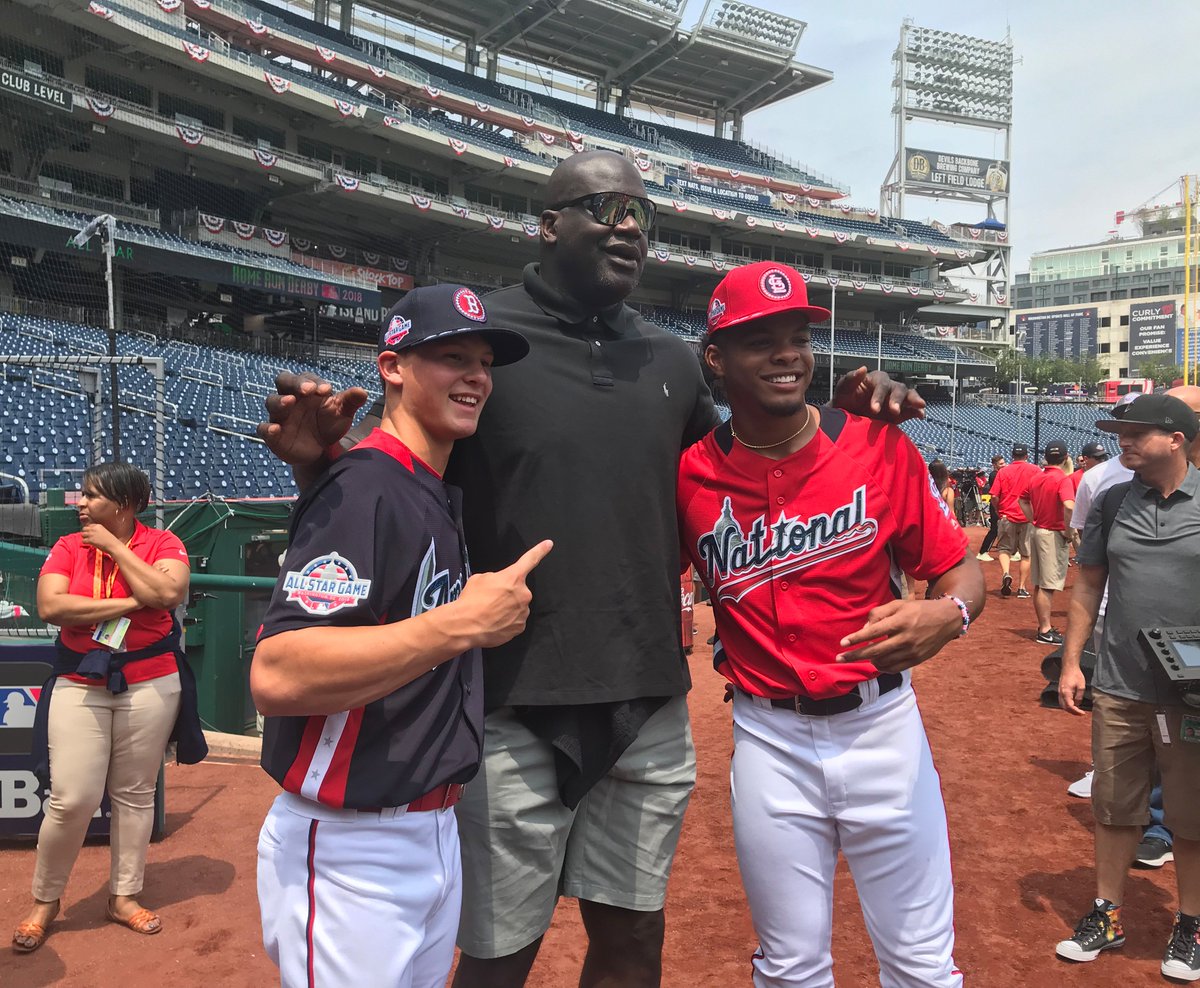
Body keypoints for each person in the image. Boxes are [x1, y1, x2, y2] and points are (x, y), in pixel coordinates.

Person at [258, 151, 925, 988]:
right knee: (498, 955)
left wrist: (851, 416)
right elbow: (397, 476)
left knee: (634, 942)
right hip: (505, 700)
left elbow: (745, 463)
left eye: (645, 214)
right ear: (548, 224)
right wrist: (313, 467)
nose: (631, 227)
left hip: (644, 697)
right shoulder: (481, 346)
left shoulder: (674, 362)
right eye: (607, 206)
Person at [678, 261, 985, 987]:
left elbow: (955, 567)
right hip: (767, 737)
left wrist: (953, 612)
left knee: (921, 966)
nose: (788, 354)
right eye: (761, 340)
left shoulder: (876, 445)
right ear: (716, 358)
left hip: (882, 729)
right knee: (788, 968)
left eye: (797, 337)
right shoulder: (689, 474)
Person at [251, 286, 549, 988]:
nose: (476, 376)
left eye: (484, 361)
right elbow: (278, 675)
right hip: (353, 845)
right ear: (392, 366)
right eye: (452, 357)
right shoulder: (365, 487)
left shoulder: (422, 486)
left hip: (432, 830)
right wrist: (461, 624)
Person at [13, 462, 196, 953]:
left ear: (125, 504)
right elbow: (52, 606)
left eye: (93, 497)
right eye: (82, 496)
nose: (82, 505)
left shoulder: (162, 543)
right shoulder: (68, 546)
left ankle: (123, 895)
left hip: (151, 678)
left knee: (135, 793)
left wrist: (116, 548)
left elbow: (169, 592)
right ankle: (45, 901)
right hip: (80, 678)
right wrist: (132, 604)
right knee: (71, 797)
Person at [1056, 392, 1200, 979]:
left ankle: (1189, 924)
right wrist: (1073, 663)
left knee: (1191, 816)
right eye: (1121, 431)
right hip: (1120, 682)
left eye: (1138, 432)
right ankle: (1107, 913)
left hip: (1191, 690)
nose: (1124, 441)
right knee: (1115, 808)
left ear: (1178, 440)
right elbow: (1088, 588)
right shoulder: (1115, 500)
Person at [1019, 441, 1074, 645]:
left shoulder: (1037, 477)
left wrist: (1033, 518)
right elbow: (1069, 506)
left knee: (1041, 583)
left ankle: (1044, 627)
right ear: (1066, 457)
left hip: (1038, 530)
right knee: (1048, 584)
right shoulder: (1062, 479)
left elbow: (1022, 500)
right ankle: (1045, 629)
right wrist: (1069, 532)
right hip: (1052, 533)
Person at [989, 443, 1039, 598]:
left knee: (1004, 549)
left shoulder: (1003, 472)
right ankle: (1022, 588)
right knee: (1026, 554)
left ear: (1012, 456)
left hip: (1007, 515)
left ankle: (1006, 573)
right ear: (1026, 455)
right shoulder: (1035, 470)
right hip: (1028, 516)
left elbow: (994, 496)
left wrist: (999, 511)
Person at [977, 453, 1006, 561]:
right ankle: (983, 552)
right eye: (1001, 464)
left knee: (1000, 529)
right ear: (994, 465)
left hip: (998, 505)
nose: (1004, 465)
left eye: (1004, 463)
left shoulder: (998, 473)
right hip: (995, 505)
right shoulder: (995, 475)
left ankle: (1011, 551)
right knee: (995, 530)